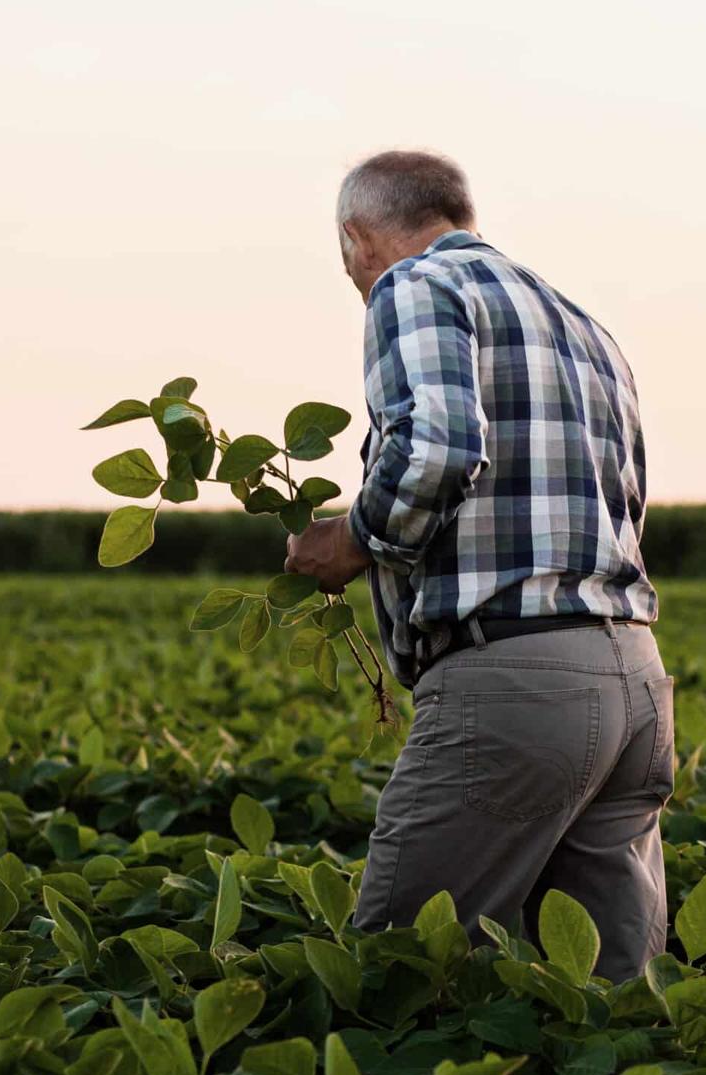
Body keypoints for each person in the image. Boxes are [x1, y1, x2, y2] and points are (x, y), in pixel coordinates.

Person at [284, 150, 672, 983]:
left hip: (517, 683)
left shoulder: (415, 286)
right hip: (635, 679)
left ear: (356, 238)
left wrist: (352, 538)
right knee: (606, 998)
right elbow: (629, 498)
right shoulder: (582, 324)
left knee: (402, 973)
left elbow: (443, 445)